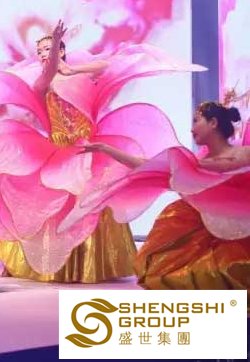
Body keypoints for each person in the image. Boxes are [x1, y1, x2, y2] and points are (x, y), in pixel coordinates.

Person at [0, 20, 205, 282]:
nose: (43, 54)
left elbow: (105, 66)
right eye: (40, 51)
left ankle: (90, 265)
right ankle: (47, 264)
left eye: (48, 49)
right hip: (55, 152)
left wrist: (71, 69)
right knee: (47, 201)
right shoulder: (43, 82)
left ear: (61, 50)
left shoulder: (78, 75)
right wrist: (56, 61)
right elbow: (49, 73)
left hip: (87, 146)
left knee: (91, 197)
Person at [82, 101, 250, 296]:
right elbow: (146, 165)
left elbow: (229, 165)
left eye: (196, 121)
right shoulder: (195, 162)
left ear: (213, 123)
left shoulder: (243, 153)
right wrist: (106, 148)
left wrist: (197, 168)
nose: (191, 129)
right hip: (201, 224)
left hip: (241, 229)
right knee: (165, 267)